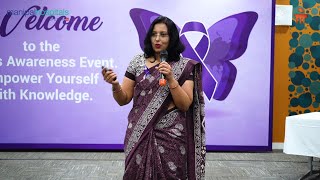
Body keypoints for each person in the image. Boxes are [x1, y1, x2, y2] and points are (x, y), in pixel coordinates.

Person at [102, 16, 206, 180]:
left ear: (172, 38)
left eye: (163, 34)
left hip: (171, 135)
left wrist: (171, 79)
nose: (157, 39)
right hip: (139, 131)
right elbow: (123, 99)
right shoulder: (137, 62)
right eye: (154, 34)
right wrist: (115, 85)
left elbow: (185, 105)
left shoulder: (185, 66)